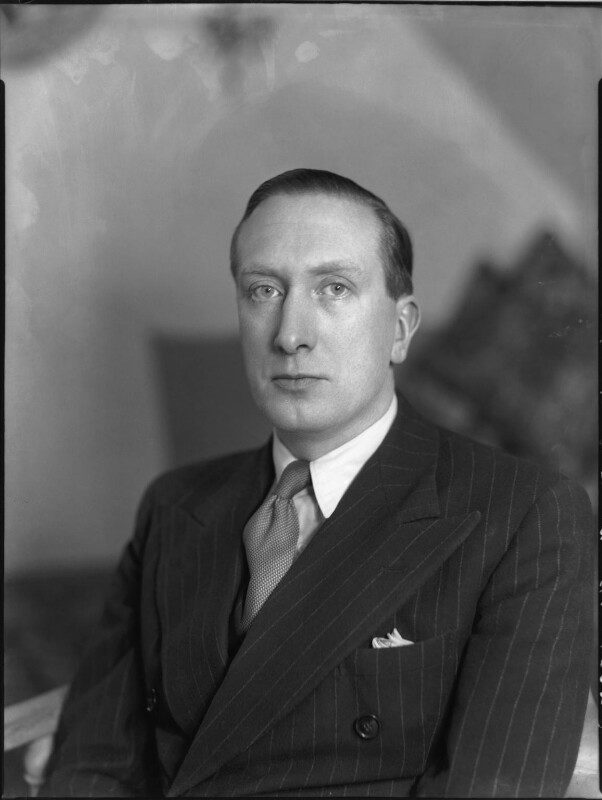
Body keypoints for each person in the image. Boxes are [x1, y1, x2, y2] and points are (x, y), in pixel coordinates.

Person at [41, 169, 593, 797]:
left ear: (400, 330)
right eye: (263, 290)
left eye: (334, 288)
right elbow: (94, 762)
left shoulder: (526, 515)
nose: (289, 335)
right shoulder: (174, 505)